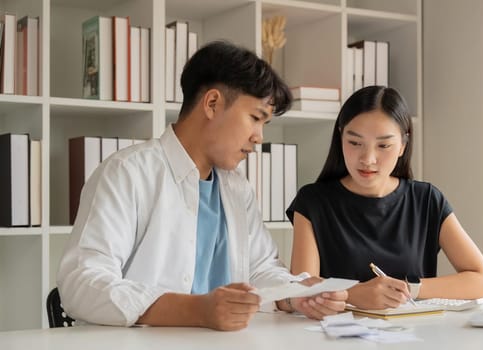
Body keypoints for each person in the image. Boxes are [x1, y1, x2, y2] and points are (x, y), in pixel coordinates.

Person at [57, 40, 347, 331]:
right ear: (212, 104)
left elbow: (261, 268)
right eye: (255, 118)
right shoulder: (128, 173)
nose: (259, 137)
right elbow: (82, 283)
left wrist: (298, 294)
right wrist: (197, 310)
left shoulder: (236, 188)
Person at [287, 86, 483, 310]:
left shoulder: (426, 199)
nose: (368, 159)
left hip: (415, 335)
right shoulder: (313, 202)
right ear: (340, 139)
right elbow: (302, 292)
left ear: (402, 147)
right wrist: (355, 294)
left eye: (384, 145)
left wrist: (407, 289)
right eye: (355, 143)